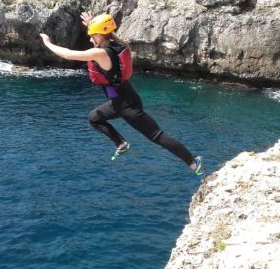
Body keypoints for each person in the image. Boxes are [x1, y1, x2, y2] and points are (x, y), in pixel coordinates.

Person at [40, 12, 203, 175]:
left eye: (92, 36)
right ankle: (121, 144)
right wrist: (92, 24)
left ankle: (192, 161)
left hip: (127, 105)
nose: (90, 39)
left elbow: (68, 54)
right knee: (94, 118)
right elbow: (106, 32)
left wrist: (47, 43)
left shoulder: (102, 53)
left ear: (98, 35)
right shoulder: (118, 44)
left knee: (157, 135)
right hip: (119, 100)